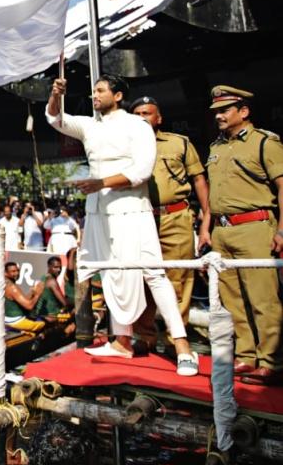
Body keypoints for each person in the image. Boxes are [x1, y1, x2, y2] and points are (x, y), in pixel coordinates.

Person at [46, 73, 198, 376]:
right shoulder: (90, 126)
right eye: (93, 91)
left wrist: (101, 182)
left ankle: (182, 347)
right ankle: (122, 342)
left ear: (117, 95)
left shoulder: (137, 126)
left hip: (132, 209)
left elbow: (141, 171)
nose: (94, 95)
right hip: (99, 212)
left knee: (154, 274)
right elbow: (55, 118)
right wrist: (56, 95)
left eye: (100, 90)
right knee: (112, 274)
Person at [204, 85, 283, 385]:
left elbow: (282, 186)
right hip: (223, 230)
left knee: (263, 299)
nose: (219, 116)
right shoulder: (216, 147)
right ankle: (248, 356)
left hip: (255, 226)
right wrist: (208, 228)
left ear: (244, 111)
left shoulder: (265, 143)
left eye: (224, 110)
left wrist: (282, 230)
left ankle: (272, 361)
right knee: (234, 300)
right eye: (216, 112)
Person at [130, 96, 211, 352]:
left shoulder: (179, 143)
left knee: (178, 277)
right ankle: (144, 338)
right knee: (140, 279)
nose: (143, 117)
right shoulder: (125, 146)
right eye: (138, 113)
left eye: (148, 112)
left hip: (175, 217)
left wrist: (207, 217)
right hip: (140, 217)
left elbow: (199, 180)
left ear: (159, 118)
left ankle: (176, 339)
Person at [4, 262, 45, 333]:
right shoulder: (13, 288)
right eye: (13, 271)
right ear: (6, 273)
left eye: (17, 271)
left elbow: (23, 301)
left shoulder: (6, 283)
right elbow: (29, 306)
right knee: (44, 323)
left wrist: (32, 292)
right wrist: (38, 294)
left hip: (7, 319)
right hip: (16, 321)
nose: (17, 273)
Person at [34, 257, 71, 323]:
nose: (59, 270)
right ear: (49, 267)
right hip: (51, 316)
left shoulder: (43, 277)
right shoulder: (52, 281)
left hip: (41, 314)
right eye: (55, 267)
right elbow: (65, 303)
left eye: (60, 267)